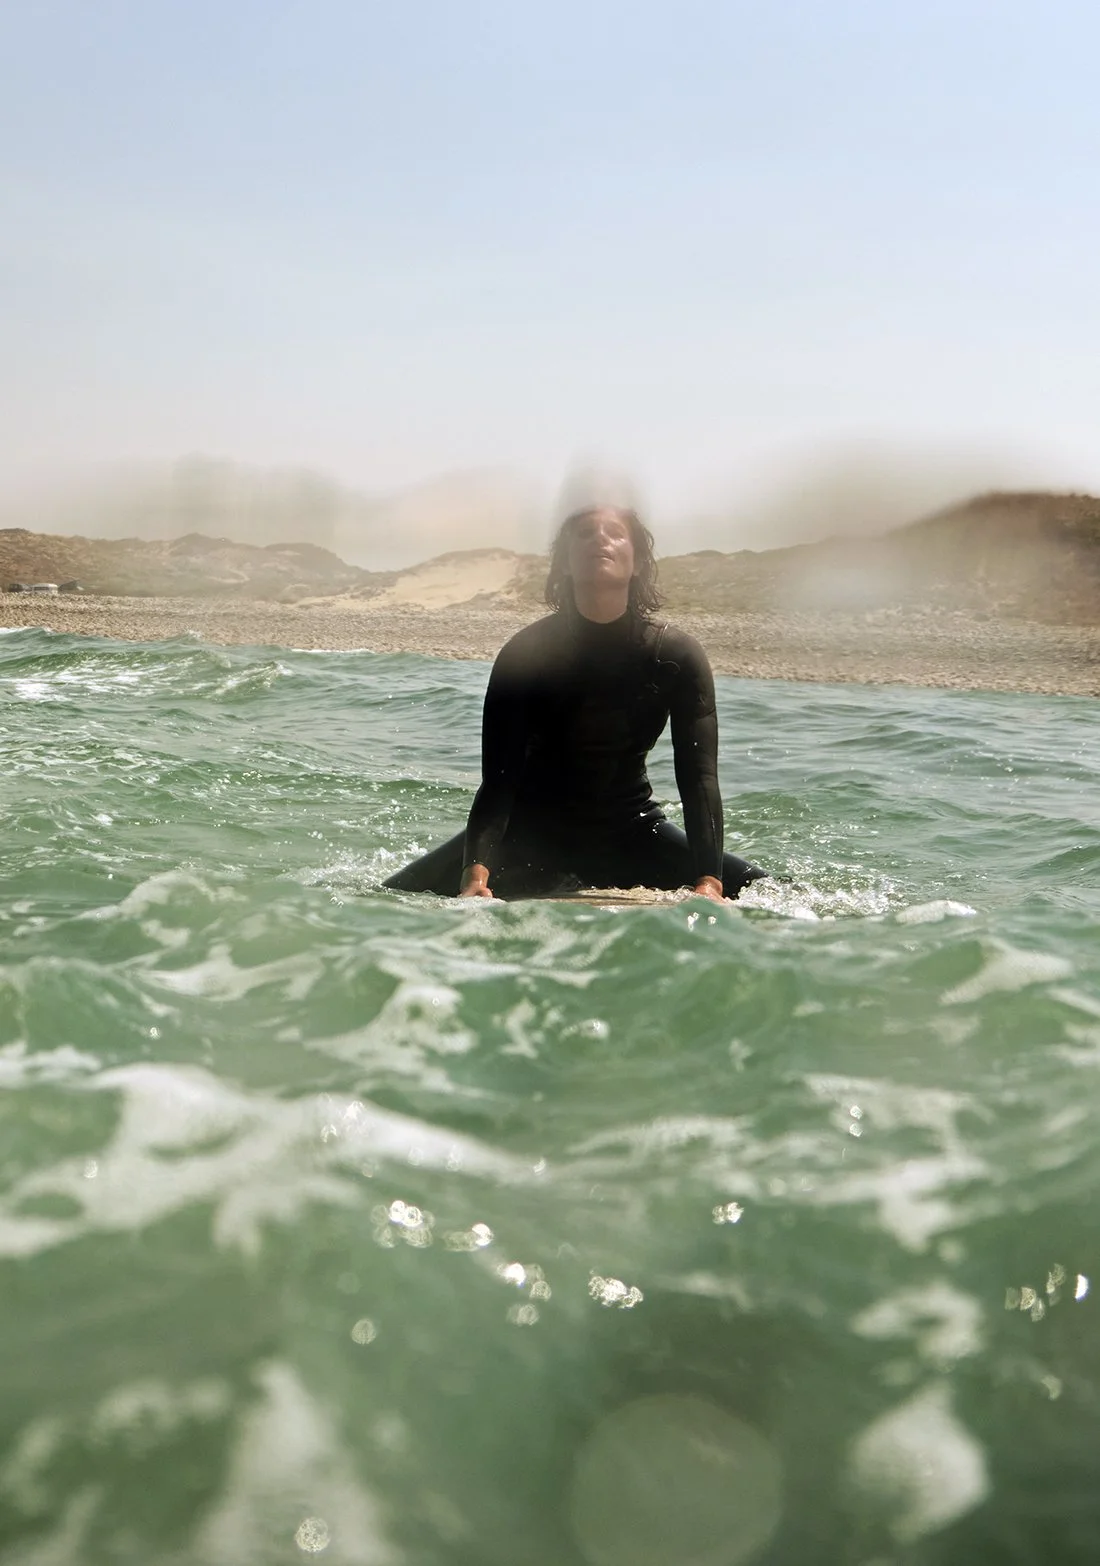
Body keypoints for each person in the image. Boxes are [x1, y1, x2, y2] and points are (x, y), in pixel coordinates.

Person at [383, 504, 765, 903]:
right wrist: (475, 872)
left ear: (637, 563)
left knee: (772, 894)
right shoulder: (525, 654)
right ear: (564, 564)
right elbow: (499, 780)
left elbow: (698, 779)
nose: (600, 539)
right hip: (529, 836)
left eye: (615, 533)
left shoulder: (675, 656)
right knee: (388, 899)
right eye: (584, 534)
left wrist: (709, 881)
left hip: (632, 833)